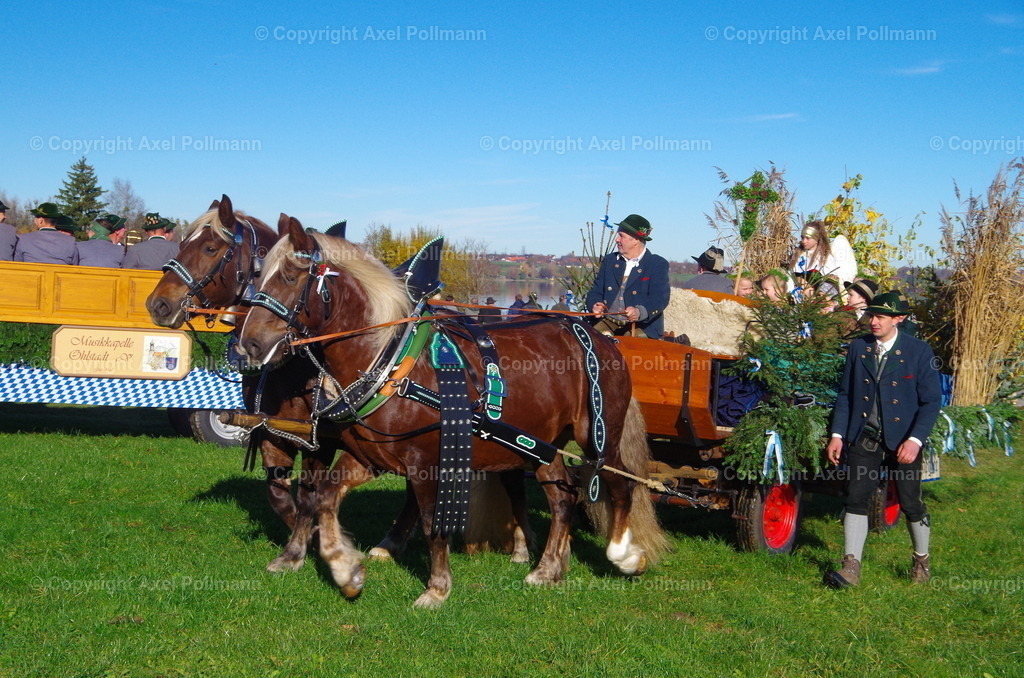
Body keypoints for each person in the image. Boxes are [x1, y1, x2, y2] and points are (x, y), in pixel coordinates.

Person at [823, 291, 942, 589]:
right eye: (871, 316)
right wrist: (837, 435)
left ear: (898, 319)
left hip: (904, 440)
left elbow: (931, 402)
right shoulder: (858, 347)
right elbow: (846, 395)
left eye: (880, 317)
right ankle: (851, 566)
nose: (873, 322)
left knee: (911, 503)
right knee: (855, 497)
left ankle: (921, 560)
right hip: (866, 436)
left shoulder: (919, 351)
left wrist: (915, 440)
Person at [586, 213, 670, 339]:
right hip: (608, 322)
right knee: (588, 341)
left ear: (636, 239)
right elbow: (595, 291)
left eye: (621, 236)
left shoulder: (657, 264)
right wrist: (594, 305)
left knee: (628, 347)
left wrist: (639, 312)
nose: (617, 239)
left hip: (642, 326)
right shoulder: (610, 260)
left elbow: (660, 299)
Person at [791, 221, 857, 289]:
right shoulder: (798, 255)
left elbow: (830, 281)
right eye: (802, 237)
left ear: (816, 238)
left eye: (808, 238)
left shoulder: (825, 257)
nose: (804, 241)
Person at [14, 202, 79, 265]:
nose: (34, 220)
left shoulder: (24, 239)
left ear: (41, 220)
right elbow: (75, 265)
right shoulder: (70, 241)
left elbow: (17, 264)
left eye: (35, 217)